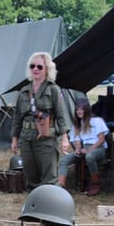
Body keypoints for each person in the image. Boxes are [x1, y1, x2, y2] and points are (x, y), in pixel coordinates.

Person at [11, 52, 71, 191]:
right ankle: (33, 207)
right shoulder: (23, 92)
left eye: (40, 66)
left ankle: (48, 208)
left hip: (46, 138)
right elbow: (17, 118)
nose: (35, 69)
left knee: (49, 179)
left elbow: (61, 115)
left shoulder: (53, 89)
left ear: (47, 69)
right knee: (31, 179)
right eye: (33, 66)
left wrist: (64, 138)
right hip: (26, 139)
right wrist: (14, 139)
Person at [57, 98, 110, 196]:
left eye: (81, 109)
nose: (79, 111)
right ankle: (60, 185)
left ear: (86, 109)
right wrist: (77, 149)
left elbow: (101, 140)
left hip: (98, 148)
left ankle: (95, 184)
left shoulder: (97, 121)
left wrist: (89, 150)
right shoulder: (77, 124)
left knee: (89, 156)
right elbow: (76, 140)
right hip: (84, 148)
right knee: (64, 160)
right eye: (77, 109)